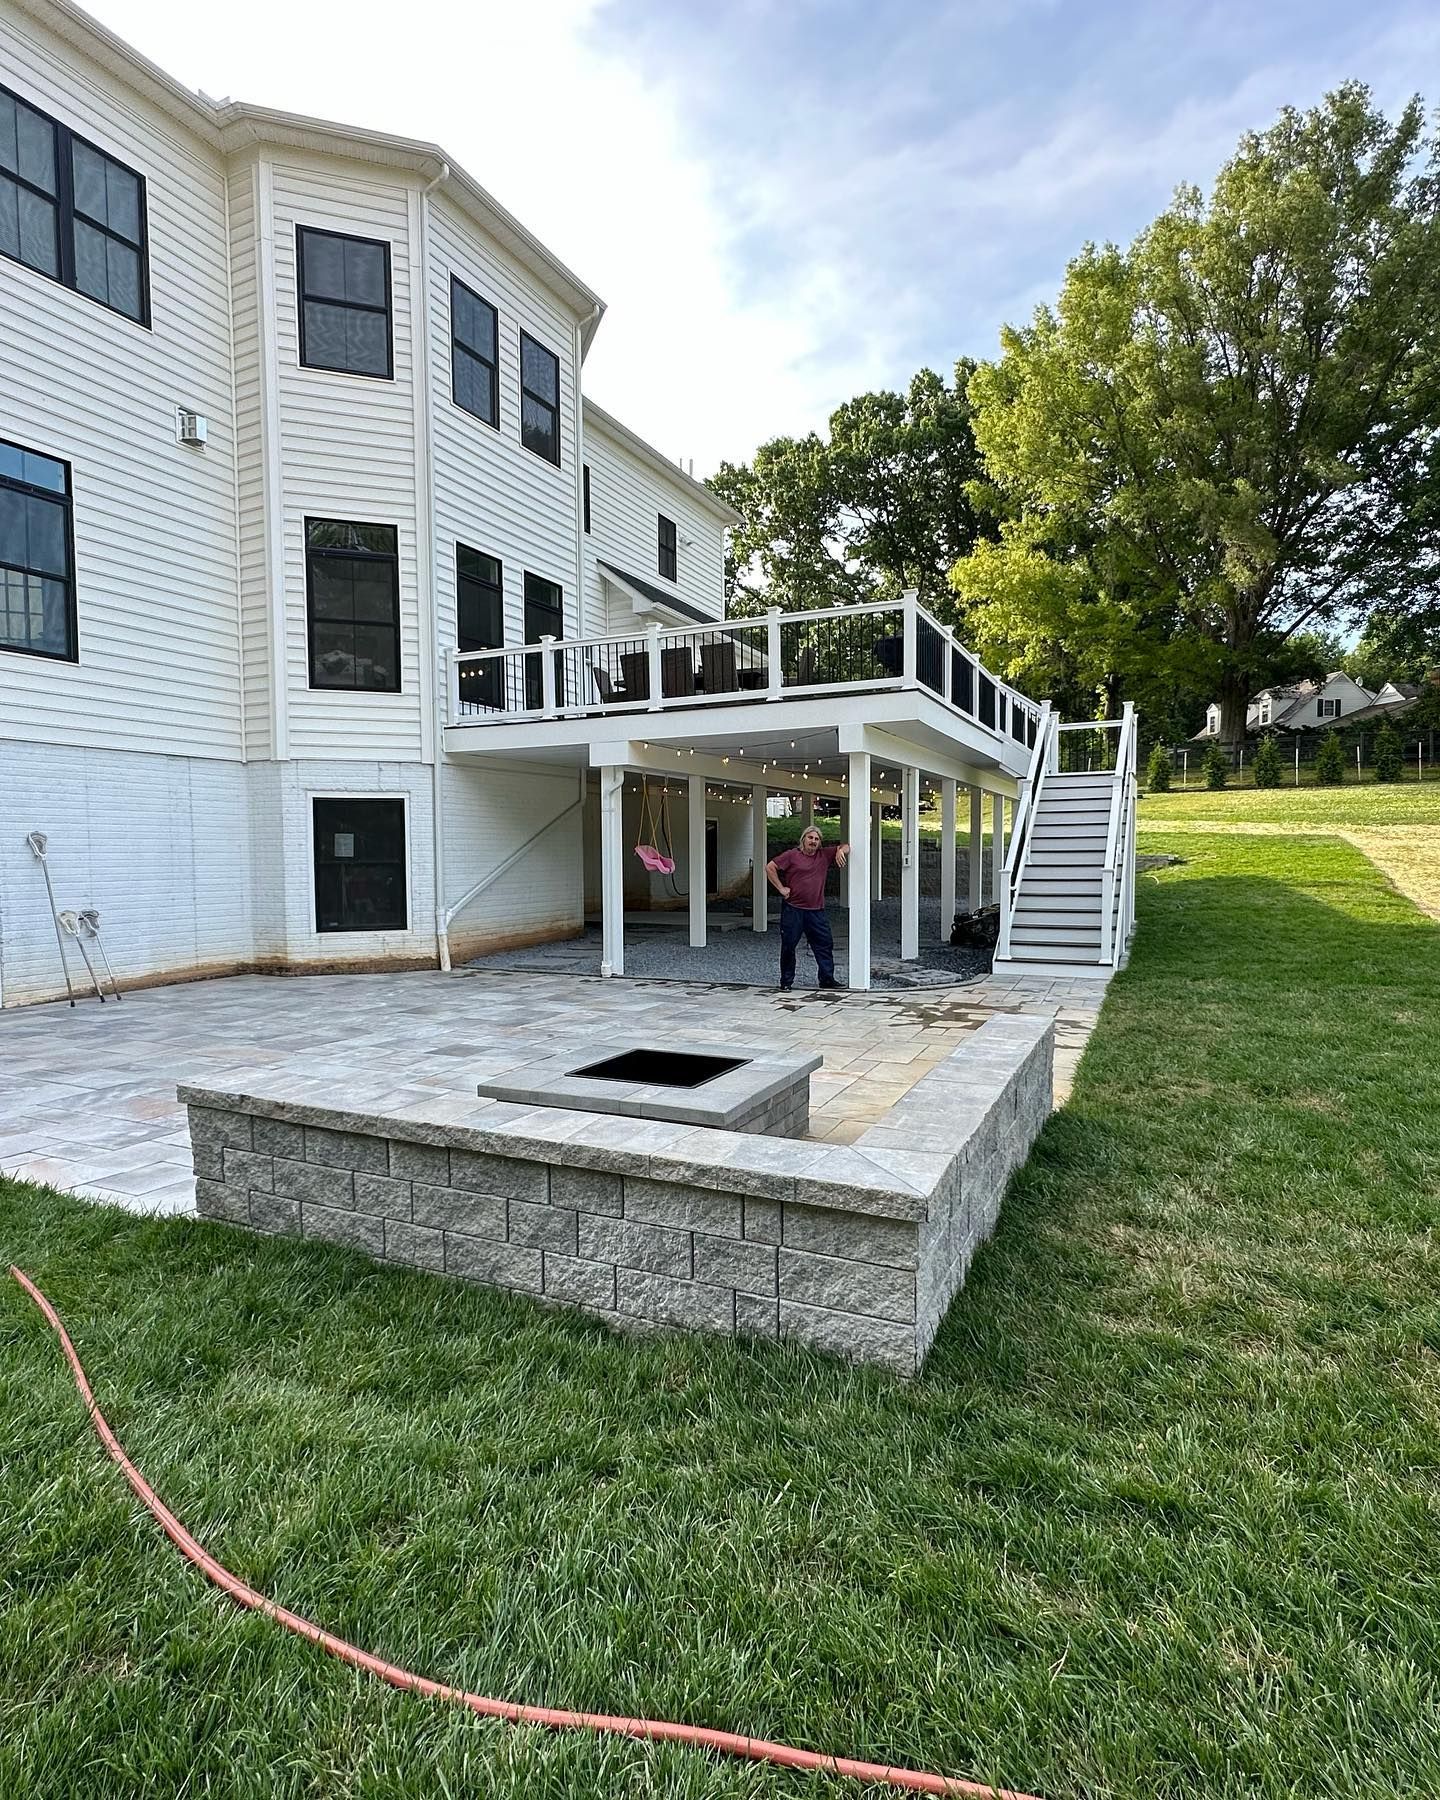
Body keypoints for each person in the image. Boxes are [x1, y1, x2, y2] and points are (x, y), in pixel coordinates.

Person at [765, 825, 850, 991]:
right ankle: (786, 981)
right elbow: (770, 867)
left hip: (816, 911)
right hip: (793, 909)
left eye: (817, 839)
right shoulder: (792, 855)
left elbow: (847, 846)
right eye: (810, 837)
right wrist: (781, 888)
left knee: (825, 944)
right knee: (789, 945)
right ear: (803, 839)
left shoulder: (824, 855)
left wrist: (840, 850)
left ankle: (827, 979)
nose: (813, 841)